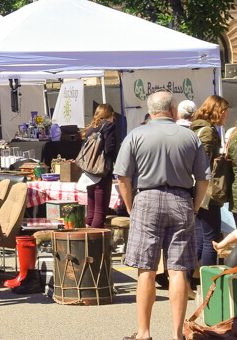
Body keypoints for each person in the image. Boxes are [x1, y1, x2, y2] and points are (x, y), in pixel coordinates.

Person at [113, 90, 210, 340]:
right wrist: (195, 207)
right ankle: (177, 334)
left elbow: (122, 177)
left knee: (146, 269)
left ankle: (144, 333)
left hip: (146, 198)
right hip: (181, 199)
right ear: (173, 109)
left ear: (150, 109)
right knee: (177, 270)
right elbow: (203, 179)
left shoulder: (136, 135)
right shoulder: (190, 137)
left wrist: (132, 207)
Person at [190, 95, 230, 271]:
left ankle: (187, 280)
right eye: (224, 112)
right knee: (211, 239)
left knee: (200, 237)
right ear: (216, 111)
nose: (226, 116)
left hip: (198, 188)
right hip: (207, 190)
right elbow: (203, 162)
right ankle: (208, 285)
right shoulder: (207, 131)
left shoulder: (196, 127)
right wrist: (221, 160)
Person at [81, 104, 118, 229]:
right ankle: (94, 243)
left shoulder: (91, 128)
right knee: (100, 212)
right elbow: (110, 148)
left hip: (89, 172)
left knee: (91, 209)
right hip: (102, 172)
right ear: (111, 114)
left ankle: (86, 236)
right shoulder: (109, 126)